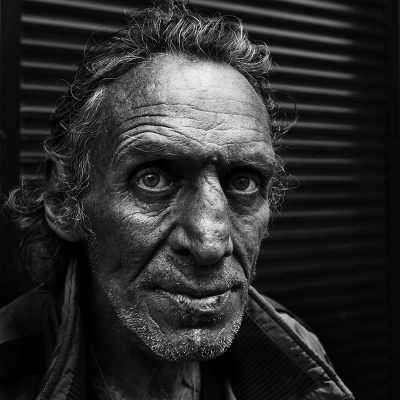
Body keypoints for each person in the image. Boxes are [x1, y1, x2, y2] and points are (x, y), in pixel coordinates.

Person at [0, 1, 354, 399]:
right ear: (64, 199)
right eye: (153, 179)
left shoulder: (298, 355)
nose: (210, 243)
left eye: (243, 183)